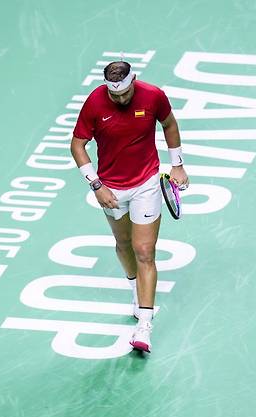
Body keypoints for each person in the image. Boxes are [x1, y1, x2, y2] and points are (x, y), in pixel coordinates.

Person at [70, 60, 189, 353]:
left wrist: (178, 165)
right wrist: (96, 184)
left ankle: (144, 326)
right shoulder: (94, 103)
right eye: (115, 96)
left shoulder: (153, 96)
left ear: (133, 79)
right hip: (111, 189)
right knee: (123, 243)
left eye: (125, 93)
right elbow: (77, 144)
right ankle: (134, 288)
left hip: (147, 183)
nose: (121, 100)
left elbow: (169, 124)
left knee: (145, 251)